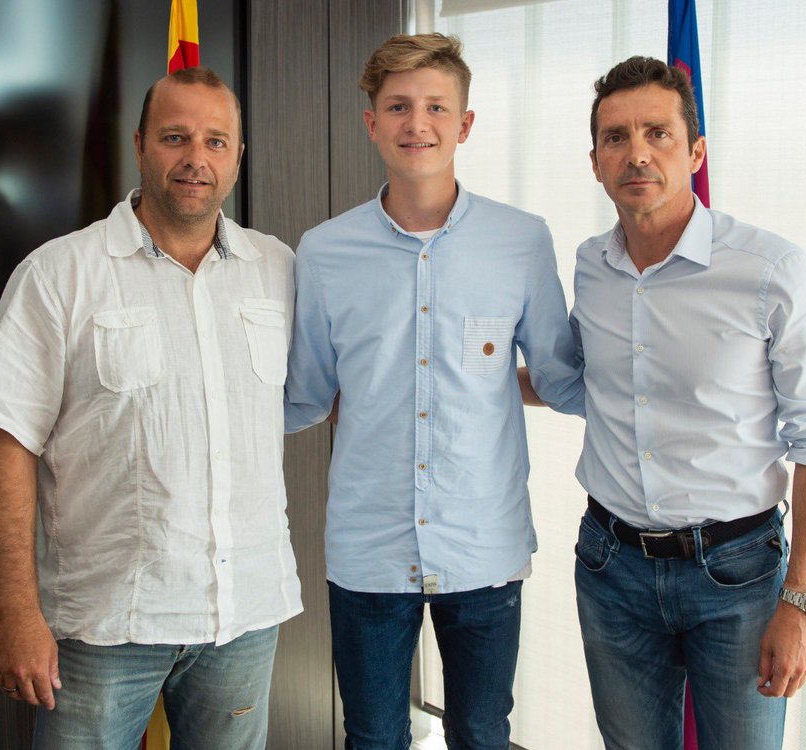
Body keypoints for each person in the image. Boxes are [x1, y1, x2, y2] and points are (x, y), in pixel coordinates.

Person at [0, 67, 301, 749]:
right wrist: (17, 612)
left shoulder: (282, 271)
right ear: (142, 145)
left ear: (239, 157)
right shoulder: (61, 275)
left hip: (244, 617)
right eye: (176, 137)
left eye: (215, 141)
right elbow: (5, 446)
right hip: (106, 626)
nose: (195, 159)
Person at [284, 33, 583, 750]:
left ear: (465, 124)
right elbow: (306, 392)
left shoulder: (523, 240)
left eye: (436, 107)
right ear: (372, 122)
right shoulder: (324, 251)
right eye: (397, 107)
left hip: (484, 545)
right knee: (373, 738)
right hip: (369, 548)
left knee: (482, 734)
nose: (417, 124)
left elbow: (561, 377)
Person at [569, 56, 806, 748]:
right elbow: (580, 379)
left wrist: (801, 603)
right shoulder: (590, 268)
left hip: (740, 578)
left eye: (657, 132)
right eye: (616, 137)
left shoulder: (771, 271)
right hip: (611, 569)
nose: (636, 152)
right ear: (596, 162)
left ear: (695, 152)